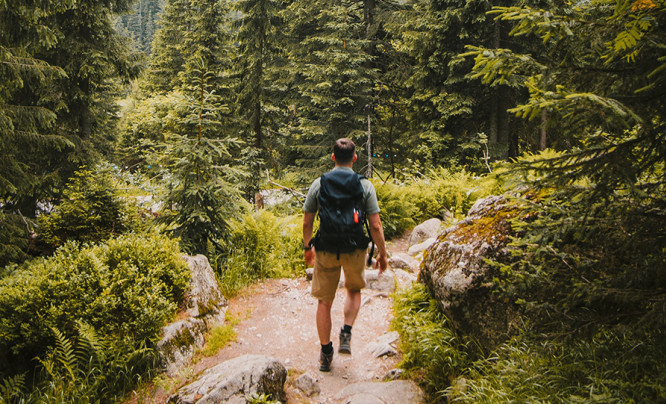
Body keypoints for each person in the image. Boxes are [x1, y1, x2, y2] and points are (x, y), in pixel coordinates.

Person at [302, 138, 388, 372]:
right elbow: (376, 225)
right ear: (354, 158)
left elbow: (308, 220)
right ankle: (346, 331)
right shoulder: (365, 185)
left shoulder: (319, 184)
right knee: (353, 290)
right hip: (354, 249)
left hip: (327, 248)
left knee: (324, 301)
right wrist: (382, 254)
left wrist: (308, 247)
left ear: (332, 158)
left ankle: (326, 352)